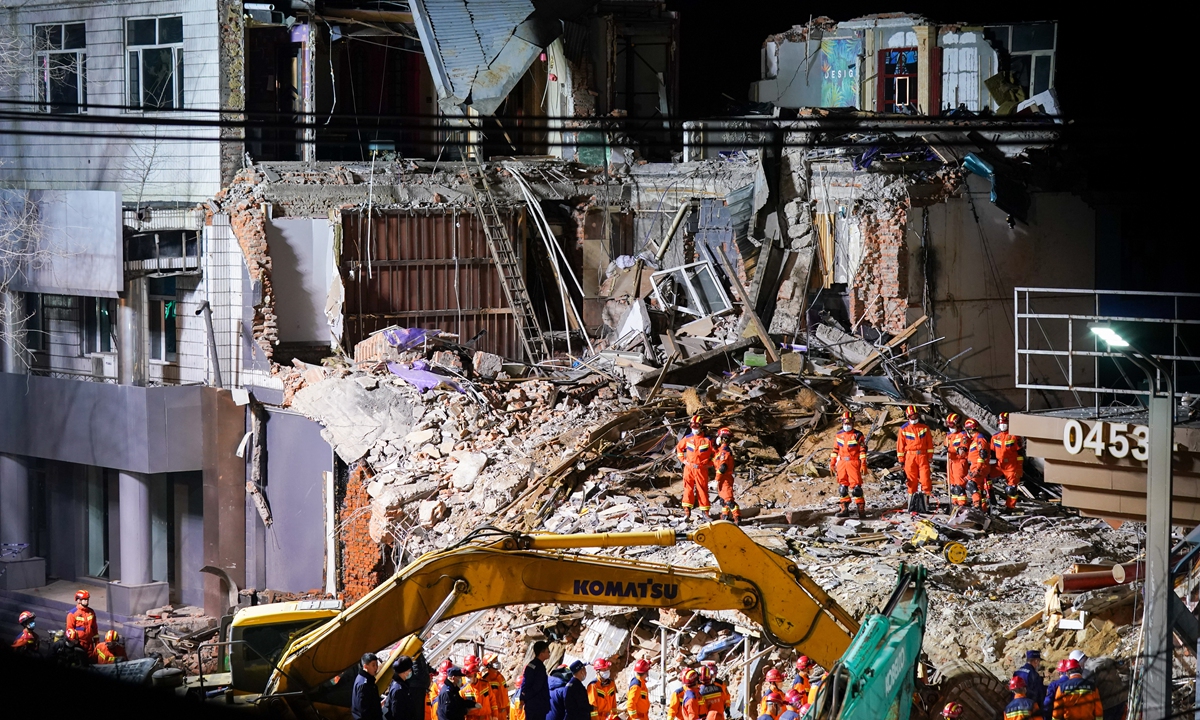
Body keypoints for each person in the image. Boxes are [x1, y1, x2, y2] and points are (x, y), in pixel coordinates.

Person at [829, 411, 868, 518]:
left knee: (856, 488)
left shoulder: (858, 435)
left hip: (853, 462)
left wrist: (863, 464)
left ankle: (861, 510)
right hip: (841, 463)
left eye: (849, 423)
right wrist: (832, 463)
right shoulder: (839, 435)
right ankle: (844, 509)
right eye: (845, 423)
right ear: (842, 422)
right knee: (842, 488)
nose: (847, 425)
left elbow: (862, 450)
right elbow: (835, 450)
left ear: (853, 422)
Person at [895, 405, 934, 509]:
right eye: (912, 416)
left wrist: (930, 456)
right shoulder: (903, 429)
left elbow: (929, 443)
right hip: (910, 457)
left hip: (923, 456)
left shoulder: (925, 428)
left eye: (916, 416)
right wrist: (901, 460)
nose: (914, 418)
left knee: (925, 480)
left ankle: (926, 504)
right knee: (911, 481)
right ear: (908, 416)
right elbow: (900, 446)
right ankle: (911, 504)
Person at [676, 416, 714, 520]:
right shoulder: (687, 438)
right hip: (689, 468)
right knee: (688, 489)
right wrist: (683, 461)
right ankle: (687, 512)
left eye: (696, 426)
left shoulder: (708, 440)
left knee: (702, 490)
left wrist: (710, 464)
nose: (694, 428)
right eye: (692, 426)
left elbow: (716, 455)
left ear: (701, 426)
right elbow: (679, 449)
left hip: (701, 469)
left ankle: (705, 513)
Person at [991, 413, 1026, 509]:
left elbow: (1020, 453)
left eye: (1005, 423)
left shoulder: (1015, 437)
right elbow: (992, 452)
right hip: (999, 464)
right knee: (985, 477)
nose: (1002, 425)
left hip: (1011, 466)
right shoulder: (995, 437)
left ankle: (1010, 508)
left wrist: (1018, 468)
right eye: (1001, 423)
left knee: (1011, 490)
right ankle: (991, 500)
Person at [713, 428, 740, 524]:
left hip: (725, 479)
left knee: (729, 500)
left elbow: (722, 467)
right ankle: (724, 517)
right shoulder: (721, 450)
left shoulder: (724, 452)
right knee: (723, 501)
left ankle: (737, 517)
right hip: (723, 479)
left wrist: (716, 480)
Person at [964, 419, 993, 511]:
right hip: (976, 466)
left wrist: (978, 469)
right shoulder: (976, 439)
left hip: (979, 466)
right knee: (979, 488)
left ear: (970, 430)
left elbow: (982, 455)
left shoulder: (980, 439)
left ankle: (977, 505)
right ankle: (983, 508)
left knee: (971, 484)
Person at [520, 641, 552, 720]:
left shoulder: (530, 664)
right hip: (537, 705)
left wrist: (523, 697)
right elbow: (537, 686)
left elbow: (524, 682)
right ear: (541, 654)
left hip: (530, 705)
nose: (549, 653)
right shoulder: (540, 668)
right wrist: (526, 696)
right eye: (547, 651)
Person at [944, 413, 970, 507]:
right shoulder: (949, 436)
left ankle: (962, 505)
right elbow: (946, 445)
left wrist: (951, 450)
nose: (950, 427)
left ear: (957, 424)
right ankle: (954, 504)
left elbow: (962, 451)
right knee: (952, 486)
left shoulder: (963, 436)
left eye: (951, 425)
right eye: (948, 425)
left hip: (959, 462)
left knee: (959, 487)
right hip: (950, 462)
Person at [66, 589, 98, 661]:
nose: (87, 601)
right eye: (84, 599)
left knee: (91, 661)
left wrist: (96, 642)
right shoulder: (72, 614)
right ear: (78, 600)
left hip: (90, 644)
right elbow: (69, 630)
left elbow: (95, 628)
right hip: (79, 644)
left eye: (87, 599)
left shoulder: (91, 612)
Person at [353, 653, 385, 720]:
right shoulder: (364, 684)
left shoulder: (363, 679)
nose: (376, 667)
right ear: (365, 666)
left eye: (376, 664)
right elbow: (363, 710)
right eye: (373, 665)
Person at [462, 656, 495, 720]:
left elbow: (492, 701)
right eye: (476, 665)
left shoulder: (485, 684)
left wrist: (495, 715)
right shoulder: (463, 689)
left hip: (486, 717)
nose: (478, 666)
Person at [386, 655, 418, 720]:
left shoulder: (401, 684)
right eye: (409, 670)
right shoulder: (398, 690)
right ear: (403, 672)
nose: (410, 671)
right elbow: (397, 713)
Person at [481, 653, 510, 720]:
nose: (496, 662)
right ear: (488, 664)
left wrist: (508, 710)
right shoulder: (486, 680)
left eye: (496, 660)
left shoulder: (501, 677)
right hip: (493, 715)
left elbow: (505, 695)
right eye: (494, 661)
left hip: (503, 714)